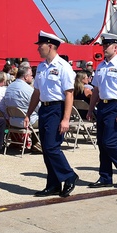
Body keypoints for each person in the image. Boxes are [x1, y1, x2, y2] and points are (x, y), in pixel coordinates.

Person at [26, 31, 79, 197]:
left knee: (51, 146)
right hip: (44, 108)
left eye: (40, 46)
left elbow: (69, 94)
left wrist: (65, 119)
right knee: (47, 149)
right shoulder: (41, 67)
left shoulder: (63, 67)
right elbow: (36, 92)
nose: (38, 49)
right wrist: (28, 113)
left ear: (50, 46)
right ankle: (53, 184)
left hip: (57, 108)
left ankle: (69, 175)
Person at [87, 33, 117, 188]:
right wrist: (91, 108)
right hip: (103, 106)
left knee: (110, 142)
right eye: (103, 45)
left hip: (115, 106)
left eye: (107, 45)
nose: (104, 48)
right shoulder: (100, 66)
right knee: (101, 143)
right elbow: (96, 90)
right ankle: (105, 177)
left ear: (116, 47)